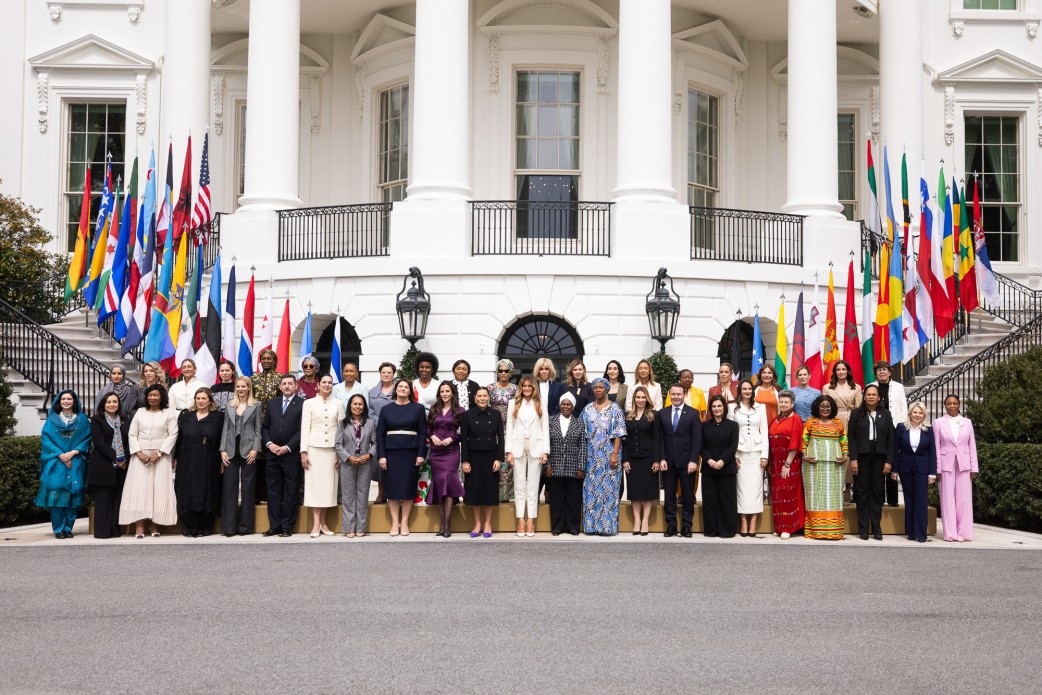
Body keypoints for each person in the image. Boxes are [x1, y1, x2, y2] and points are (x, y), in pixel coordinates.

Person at [120, 384, 178, 538]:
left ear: (162, 397)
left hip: (161, 456)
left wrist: (159, 453)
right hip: (140, 455)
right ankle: (139, 527)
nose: (152, 398)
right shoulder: (140, 412)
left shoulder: (169, 412)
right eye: (150, 395)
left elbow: (173, 434)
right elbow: (132, 434)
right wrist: (138, 452)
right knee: (140, 490)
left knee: (158, 490)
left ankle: (155, 525)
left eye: (156, 395)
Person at [377, 378, 428, 536]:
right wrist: (382, 456)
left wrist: (421, 454)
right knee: (392, 488)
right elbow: (380, 434)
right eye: (400, 386)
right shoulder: (386, 409)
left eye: (406, 387)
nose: (403, 389)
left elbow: (422, 432)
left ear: (410, 391)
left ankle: (404, 522)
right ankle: (394, 522)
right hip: (391, 453)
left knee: (407, 487)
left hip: (411, 453)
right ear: (395, 389)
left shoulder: (418, 408)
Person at [36, 390, 90, 538]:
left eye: (69, 399)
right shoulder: (52, 420)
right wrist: (61, 455)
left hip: (76, 460)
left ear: (75, 401)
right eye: (63, 399)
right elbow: (46, 439)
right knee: (56, 495)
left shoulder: (82, 419)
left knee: (73, 496)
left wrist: (72, 453)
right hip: (56, 461)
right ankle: (58, 529)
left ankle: (68, 528)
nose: (66, 401)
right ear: (59, 402)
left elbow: (86, 439)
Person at [847, 384, 895, 541]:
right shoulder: (856, 414)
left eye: (874, 394)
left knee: (877, 492)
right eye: (868, 394)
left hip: (879, 457)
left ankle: (876, 527)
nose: (871, 397)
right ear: (864, 396)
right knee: (861, 493)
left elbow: (891, 439)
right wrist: (853, 459)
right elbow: (851, 438)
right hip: (861, 456)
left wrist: (889, 461)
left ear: (879, 397)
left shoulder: (886, 414)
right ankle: (863, 528)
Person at [581, 377, 627, 536]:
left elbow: (619, 433)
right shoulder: (587, 409)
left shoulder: (615, 409)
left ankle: (608, 527)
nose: (598, 390)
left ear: (607, 389)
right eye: (596, 387)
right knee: (592, 491)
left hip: (610, 457)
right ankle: (591, 527)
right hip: (591, 458)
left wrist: (615, 453)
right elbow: (582, 433)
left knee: (609, 491)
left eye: (601, 387)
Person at [175, 388, 224, 537]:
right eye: (198, 398)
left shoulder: (218, 417)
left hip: (210, 461)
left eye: (204, 398)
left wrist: (222, 459)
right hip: (187, 461)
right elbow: (180, 438)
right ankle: (189, 527)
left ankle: (205, 527)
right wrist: (176, 458)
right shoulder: (186, 416)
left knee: (207, 492)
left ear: (210, 400)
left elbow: (222, 438)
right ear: (195, 400)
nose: (201, 401)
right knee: (187, 491)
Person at [300, 374, 345, 538]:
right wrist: (303, 452)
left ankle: (324, 523)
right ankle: (316, 523)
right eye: (324, 382)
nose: (327, 385)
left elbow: (341, 431)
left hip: (331, 450)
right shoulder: (308, 403)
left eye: (330, 383)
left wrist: (340, 453)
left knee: (328, 488)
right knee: (315, 487)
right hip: (314, 449)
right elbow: (305, 428)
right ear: (318, 385)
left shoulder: (339, 404)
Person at [505, 375, 549, 537]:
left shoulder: (541, 403)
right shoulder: (513, 404)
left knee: (532, 486)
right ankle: (520, 520)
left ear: (534, 388)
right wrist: (508, 451)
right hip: (517, 447)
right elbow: (509, 429)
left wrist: (546, 450)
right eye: (524, 386)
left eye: (530, 386)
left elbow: (545, 429)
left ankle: (531, 520)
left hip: (536, 447)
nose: (527, 389)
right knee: (519, 486)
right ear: (520, 388)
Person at [657, 382, 703, 538]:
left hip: (687, 462)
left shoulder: (693, 413)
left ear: (684, 395)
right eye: (673, 394)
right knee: (669, 495)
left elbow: (697, 440)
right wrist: (661, 457)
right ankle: (671, 525)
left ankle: (686, 526)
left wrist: (693, 460)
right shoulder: (662, 413)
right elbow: (660, 439)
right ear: (670, 395)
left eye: (679, 394)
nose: (676, 397)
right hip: (668, 461)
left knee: (688, 495)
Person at [261, 374, 304, 537]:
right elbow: (265, 427)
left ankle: (287, 527)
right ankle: (274, 526)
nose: (286, 386)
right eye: (284, 384)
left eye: (290, 384)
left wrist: (287, 447)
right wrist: (269, 444)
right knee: (273, 492)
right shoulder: (272, 403)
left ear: (295, 386)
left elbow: (302, 430)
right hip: (272, 455)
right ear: (280, 386)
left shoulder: (302, 404)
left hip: (290, 455)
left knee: (290, 492)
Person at [801, 395, 849, 540]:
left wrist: (845, 456)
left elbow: (844, 440)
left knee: (833, 495)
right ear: (817, 407)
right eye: (822, 406)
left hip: (835, 465)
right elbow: (804, 441)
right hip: (813, 465)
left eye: (828, 406)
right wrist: (805, 456)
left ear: (832, 408)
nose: (825, 409)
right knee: (814, 496)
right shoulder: (810, 422)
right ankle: (814, 531)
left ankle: (834, 531)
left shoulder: (837, 423)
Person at [219, 377, 262, 536]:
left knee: (247, 488)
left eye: (243, 386)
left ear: (249, 388)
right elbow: (225, 429)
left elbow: (258, 429)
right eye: (238, 386)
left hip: (249, 449)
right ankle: (229, 528)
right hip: (230, 449)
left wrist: (256, 449)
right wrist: (222, 450)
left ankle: (245, 527)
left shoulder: (256, 405)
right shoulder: (229, 405)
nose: (240, 389)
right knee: (229, 487)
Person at [934, 394, 979, 542]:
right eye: (949, 403)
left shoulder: (967, 422)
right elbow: (936, 446)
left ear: (959, 405)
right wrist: (937, 469)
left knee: (964, 500)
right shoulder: (938, 422)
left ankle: (964, 532)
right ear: (944, 406)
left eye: (955, 403)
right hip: (946, 464)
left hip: (964, 464)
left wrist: (974, 467)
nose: (952, 406)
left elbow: (972, 445)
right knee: (948, 500)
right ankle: (950, 533)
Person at [461, 386, 504, 538]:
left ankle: (487, 523)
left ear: (489, 397)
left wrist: (499, 459)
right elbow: (464, 440)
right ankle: (477, 523)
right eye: (479, 396)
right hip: (473, 457)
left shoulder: (496, 414)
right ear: (475, 398)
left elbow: (501, 438)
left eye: (485, 396)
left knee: (489, 491)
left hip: (491, 457)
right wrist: (465, 461)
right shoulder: (467, 415)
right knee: (475, 491)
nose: (482, 398)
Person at [893, 401, 937, 543]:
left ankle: (921, 533)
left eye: (920, 413)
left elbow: (932, 452)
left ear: (924, 415)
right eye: (915, 412)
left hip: (922, 469)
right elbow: (895, 449)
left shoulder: (928, 430)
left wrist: (932, 473)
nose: (917, 415)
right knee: (909, 500)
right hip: (905, 468)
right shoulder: (901, 428)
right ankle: (911, 532)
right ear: (910, 413)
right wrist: (894, 469)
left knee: (921, 500)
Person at [88, 393, 130, 539]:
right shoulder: (97, 420)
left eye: (115, 402)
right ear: (103, 404)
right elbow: (99, 443)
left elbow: (129, 440)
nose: (112, 404)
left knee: (117, 499)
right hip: (103, 464)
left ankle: (115, 530)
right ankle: (102, 532)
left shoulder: (125, 420)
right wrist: (116, 457)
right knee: (103, 499)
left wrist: (124, 458)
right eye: (108, 402)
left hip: (122, 466)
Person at [730, 379, 769, 537]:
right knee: (742, 489)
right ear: (739, 391)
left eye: (749, 389)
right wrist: (733, 455)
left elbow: (764, 432)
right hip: (740, 453)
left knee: (756, 489)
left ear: (753, 391)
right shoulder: (732, 407)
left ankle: (753, 522)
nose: (747, 391)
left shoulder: (761, 407)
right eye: (744, 389)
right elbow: (731, 433)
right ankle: (743, 522)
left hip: (757, 453)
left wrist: (765, 455)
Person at [427, 381, 466, 537]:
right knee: (438, 486)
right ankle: (442, 524)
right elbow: (428, 428)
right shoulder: (434, 409)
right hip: (436, 452)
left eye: (447, 391)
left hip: (451, 452)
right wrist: (432, 436)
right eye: (442, 391)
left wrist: (453, 438)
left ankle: (447, 525)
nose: (444, 394)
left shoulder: (460, 411)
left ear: (452, 393)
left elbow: (464, 432)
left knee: (449, 484)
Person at [335, 394, 377, 538]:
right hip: (348, 463)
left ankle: (361, 527)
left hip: (365, 463)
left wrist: (369, 455)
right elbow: (338, 444)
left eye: (360, 404)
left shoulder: (370, 423)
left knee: (362, 496)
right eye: (355, 404)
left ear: (364, 406)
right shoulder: (342, 423)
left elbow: (375, 443)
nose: (357, 407)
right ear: (350, 406)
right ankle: (348, 528)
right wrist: (348, 457)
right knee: (348, 497)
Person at [545, 392, 586, 536]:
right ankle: (557, 527)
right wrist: (548, 465)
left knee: (573, 499)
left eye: (568, 404)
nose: (565, 406)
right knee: (556, 499)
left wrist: (581, 467)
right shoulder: (550, 421)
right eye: (563, 403)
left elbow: (582, 446)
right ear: (559, 405)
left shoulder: (579, 422)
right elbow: (546, 445)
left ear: (573, 406)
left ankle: (573, 527)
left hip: (573, 467)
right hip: (555, 466)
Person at [822, 359, 862, 504]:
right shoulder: (827, 387)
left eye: (843, 369)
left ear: (848, 371)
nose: (841, 372)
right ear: (834, 372)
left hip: (850, 421)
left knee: (848, 454)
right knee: (833, 454)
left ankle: (848, 489)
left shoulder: (856, 387)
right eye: (838, 369)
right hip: (832, 420)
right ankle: (833, 489)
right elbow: (824, 405)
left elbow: (859, 409)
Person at [869, 360, 908, 507]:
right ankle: (878, 498)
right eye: (879, 370)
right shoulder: (870, 387)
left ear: (890, 372)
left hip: (895, 427)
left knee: (891, 461)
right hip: (876, 429)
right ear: (876, 373)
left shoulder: (898, 387)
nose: (882, 372)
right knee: (878, 463)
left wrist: (904, 424)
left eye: (885, 370)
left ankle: (892, 499)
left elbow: (903, 405)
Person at [622, 386, 660, 536]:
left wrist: (657, 459)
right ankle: (637, 520)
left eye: (643, 397)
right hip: (632, 458)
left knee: (648, 491)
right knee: (635, 491)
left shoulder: (653, 415)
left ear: (647, 399)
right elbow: (624, 440)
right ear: (634, 399)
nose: (640, 400)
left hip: (649, 458)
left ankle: (645, 521)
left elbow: (657, 439)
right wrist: (624, 459)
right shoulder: (628, 416)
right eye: (638, 397)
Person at [701, 395, 739, 538]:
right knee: (710, 500)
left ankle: (727, 530)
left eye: (719, 406)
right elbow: (702, 446)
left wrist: (722, 460)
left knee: (727, 500)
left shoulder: (732, 425)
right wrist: (709, 460)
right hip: (708, 469)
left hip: (727, 468)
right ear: (711, 408)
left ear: (724, 407)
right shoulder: (704, 425)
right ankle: (711, 530)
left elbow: (733, 446)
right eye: (714, 406)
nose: (717, 409)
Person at [768, 390, 805, 539]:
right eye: (781, 401)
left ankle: (789, 528)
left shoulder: (795, 418)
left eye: (786, 402)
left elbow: (795, 442)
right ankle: (779, 526)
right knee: (778, 494)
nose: (783, 404)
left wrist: (787, 464)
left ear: (792, 404)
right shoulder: (776, 419)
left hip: (789, 463)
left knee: (788, 493)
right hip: (776, 463)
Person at [251, 348, 283, 504]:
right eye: (263, 359)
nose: (266, 361)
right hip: (255, 423)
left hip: (272, 423)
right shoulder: (254, 379)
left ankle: (270, 495)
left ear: (274, 361)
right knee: (257, 458)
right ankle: (257, 494)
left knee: (270, 460)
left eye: (269, 359)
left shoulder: (279, 379)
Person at [488, 359, 519, 502]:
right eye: (500, 371)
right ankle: (492, 496)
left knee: (507, 465)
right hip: (492, 430)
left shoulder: (516, 389)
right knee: (493, 463)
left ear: (511, 372)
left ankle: (506, 499)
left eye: (506, 371)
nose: (503, 373)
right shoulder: (490, 388)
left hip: (510, 430)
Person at [412, 352, 440, 506]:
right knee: (417, 461)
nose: (424, 369)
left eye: (427, 367)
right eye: (421, 367)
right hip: (415, 430)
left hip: (433, 429)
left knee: (430, 463)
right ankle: (416, 496)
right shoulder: (411, 384)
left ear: (432, 369)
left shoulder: (437, 385)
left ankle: (429, 495)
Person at [367, 361, 397, 504]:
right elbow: (369, 412)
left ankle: (396, 493)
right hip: (379, 431)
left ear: (393, 374)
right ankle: (381, 492)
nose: (386, 375)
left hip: (396, 431)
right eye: (383, 372)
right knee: (380, 463)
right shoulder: (372, 392)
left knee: (396, 463)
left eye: (389, 372)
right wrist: (382, 421)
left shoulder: (400, 389)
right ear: (380, 374)